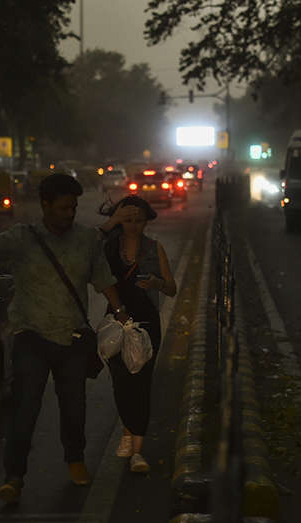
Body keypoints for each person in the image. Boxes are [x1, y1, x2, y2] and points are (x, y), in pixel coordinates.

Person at [0, 173, 133, 505]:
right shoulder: (21, 238)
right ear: (45, 205)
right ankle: (14, 476)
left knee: (74, 408)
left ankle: (75, 460)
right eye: (64, 207)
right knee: (24, 410)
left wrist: (121, 311)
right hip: (31, 338)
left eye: (74, 207)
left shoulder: (86, 240)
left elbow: (103, 278)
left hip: (73, 338)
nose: (70, 213)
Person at [98, 196, 177, 473]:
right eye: (128, 220)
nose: (133, 226)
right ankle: (128, 431)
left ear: (147, 221)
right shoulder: (108, 249)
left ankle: (137, 452)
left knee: (141, 382)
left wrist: (156, 282)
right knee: (121, 380)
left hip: (147, 323)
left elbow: (171, 288)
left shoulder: (155, 248)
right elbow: (89, 266)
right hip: (116, 321)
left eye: (139, 220)